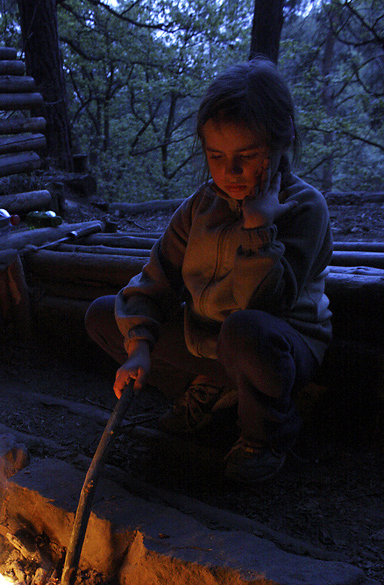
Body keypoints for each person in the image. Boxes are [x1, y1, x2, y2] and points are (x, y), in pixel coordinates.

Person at [85, 57, 333, 484]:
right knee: (104, 315)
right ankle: (210, 387)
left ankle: (267, 431)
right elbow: (155, 278)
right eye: (216, 155)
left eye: (247, 156)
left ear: (281, 142)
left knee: (244, 331)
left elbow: (266, 304)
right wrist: (141, 344)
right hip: (208, 343)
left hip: (278, 346)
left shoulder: (305, 208)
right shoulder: (201, 207)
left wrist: (258, 226)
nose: (229, 171)